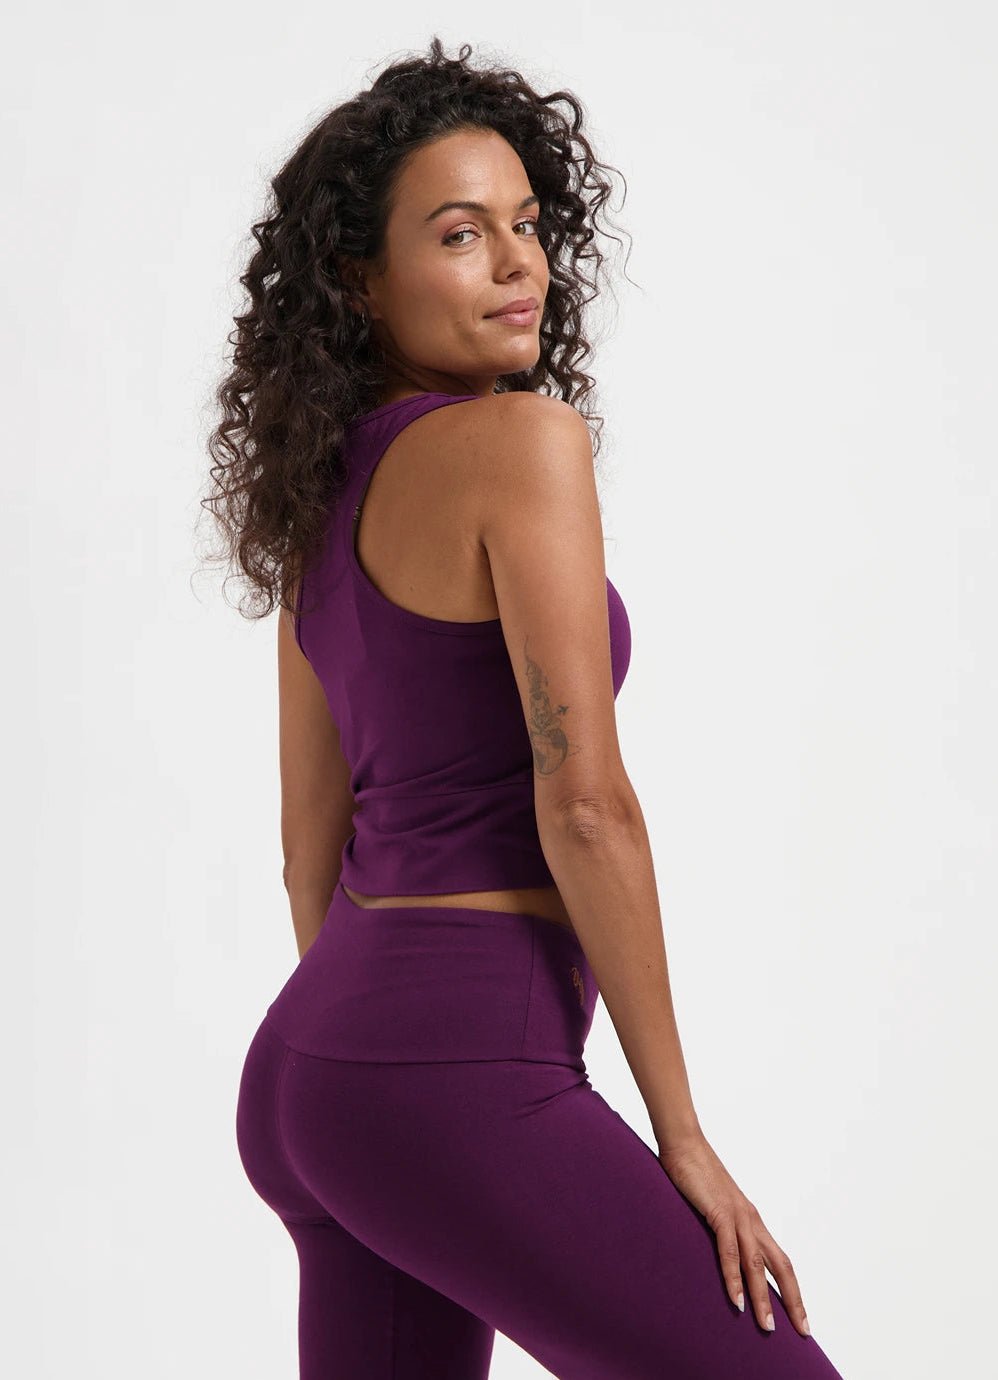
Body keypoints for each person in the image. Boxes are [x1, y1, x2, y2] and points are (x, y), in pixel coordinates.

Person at [207, 36, 846, 1380]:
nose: (519, 265)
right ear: (357, 279)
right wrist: (680, 1138)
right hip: (450, 1065)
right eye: (459, 234)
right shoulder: (520, 443)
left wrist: (365, 1055)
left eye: (527, 225)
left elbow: (308, 849)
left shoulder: (314, 493)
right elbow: (587, 804)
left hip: (315, 1063)